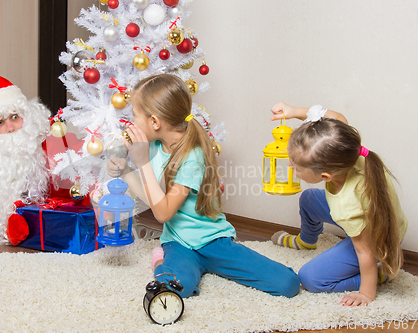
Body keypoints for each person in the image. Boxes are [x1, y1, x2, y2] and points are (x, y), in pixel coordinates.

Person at [106, 74, 300, 298]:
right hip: (178, 244)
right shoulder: (155, 147)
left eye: (135, 115)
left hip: (214, 241)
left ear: (155, 122)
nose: (131, 122)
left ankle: (172, 260)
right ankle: (161, 259)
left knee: (288, 284)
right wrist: (128, 172)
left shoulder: (192, 157)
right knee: (177, 288)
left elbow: (163, 213)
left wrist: (141, 163)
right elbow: (155, 199)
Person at [269, 101, 408, 307]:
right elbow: (336, 117)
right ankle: (307, 241)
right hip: (368, 216)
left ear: (325, 176)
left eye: (296, 167)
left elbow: (365, 251)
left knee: (311, 278)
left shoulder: (347, 206)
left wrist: (366, 293)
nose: (289, 165)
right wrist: (294, 112)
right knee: (308, 199)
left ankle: (384, 272)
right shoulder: (343, 144)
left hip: (378, 238)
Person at [0, 74, 84, 245]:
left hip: (45, 201)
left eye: (14, 117)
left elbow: (77, 162)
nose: (10, 128)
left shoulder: (47, 137)